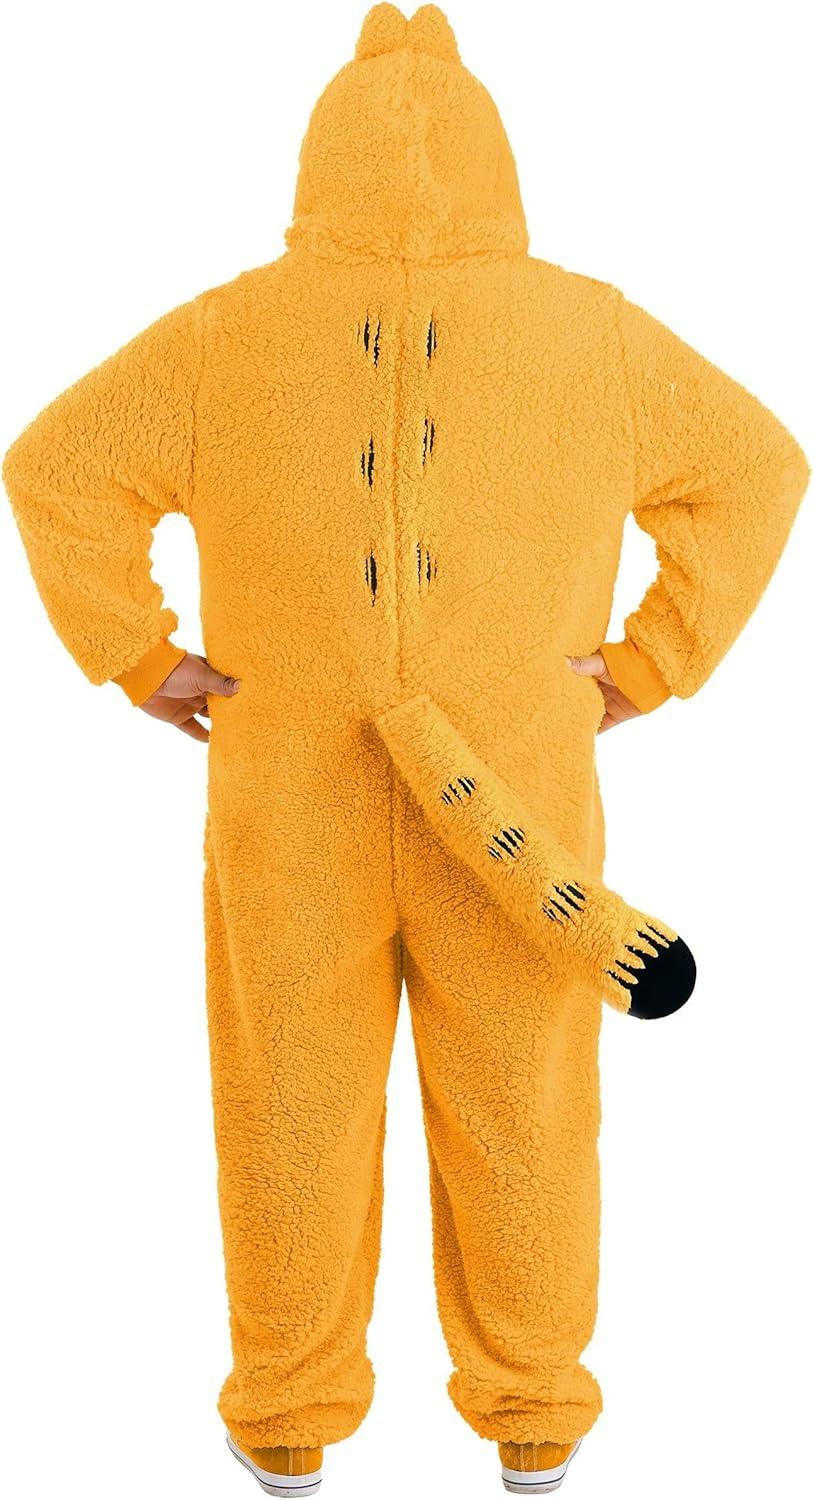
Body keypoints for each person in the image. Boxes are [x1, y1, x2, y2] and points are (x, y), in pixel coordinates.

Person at [3, 6, 808, 1496]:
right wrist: (649, 665)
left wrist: (140, 658)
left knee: (285, 1101)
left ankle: (286, 1414)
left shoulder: (228, 329)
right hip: (517, 791)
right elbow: (756, 466)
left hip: (285, 793)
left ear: (321, 160)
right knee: (523, 1106)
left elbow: (57, 463)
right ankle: (535, 1413)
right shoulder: (589, 330)